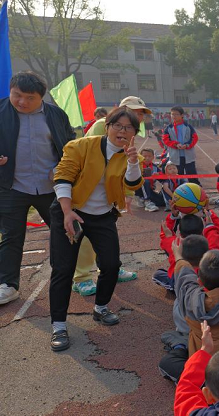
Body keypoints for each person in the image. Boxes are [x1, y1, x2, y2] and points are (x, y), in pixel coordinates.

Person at [48, 106, 143, 351]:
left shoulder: (131, 155)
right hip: (72, 212)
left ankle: (101, 308)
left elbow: (132, 182)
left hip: (102, 216)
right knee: (63, 269)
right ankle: (59, 325)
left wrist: (132, 162)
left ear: (134, 132)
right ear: (107, 126)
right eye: (118, 126)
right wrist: (67, 212)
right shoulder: (81, 146)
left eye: (128, 127)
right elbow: (63, 177)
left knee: (111, 264)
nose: (122, 131)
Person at [0, 72, 75, 305]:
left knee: (64, 232)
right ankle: (8, 285)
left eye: (29, 97)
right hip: (11, 186)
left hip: (50, 187)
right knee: (11, 236)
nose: (22, 101)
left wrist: (61, 168)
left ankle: (66, 276)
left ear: (41, 97)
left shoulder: (55, 115)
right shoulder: (1, 112)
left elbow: (71, 143)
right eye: (17, 95)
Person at [158, 239, 219, 383]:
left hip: (206, 364)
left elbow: (185, 278)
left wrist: (178, 256)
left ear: (200, 281)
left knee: (167, 362)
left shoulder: (190, 299)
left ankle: (200, 381)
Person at [152, 210, 219, 291]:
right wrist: (209, 215)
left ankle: (174, 287)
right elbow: (215, 232)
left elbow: (165, 233)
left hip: (182, 282)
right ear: (202, 231)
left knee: (157, 274)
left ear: (180, 233)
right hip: (205, 281)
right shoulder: (210, 245)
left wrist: (173, 216)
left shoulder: (174, 243)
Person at [162, 106, 200, 185]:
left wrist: (187, 145)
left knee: (192, 174)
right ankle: (179, 191)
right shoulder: (168, 128)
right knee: (178, 176)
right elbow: (166, 140)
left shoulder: (188, 127)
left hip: (188, 155)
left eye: (176, 114)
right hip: (175, 155)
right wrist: (175, 144)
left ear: (182, 115)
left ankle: (197, 190)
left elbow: (195, 138)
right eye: (172, 114)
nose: (174, 116)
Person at [135, 148, 165, 212]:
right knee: (145, 181)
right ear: (140, 157)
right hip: (137, 189)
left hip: (150, 190)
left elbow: (163, 178)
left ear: (153, 157)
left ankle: (145, 199)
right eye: (144, 156)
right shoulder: (137, 166)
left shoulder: (154, 167)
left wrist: (158, 175)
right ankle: (146, 201)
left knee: (162, 202)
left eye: (149, 156)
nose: (147, 158)